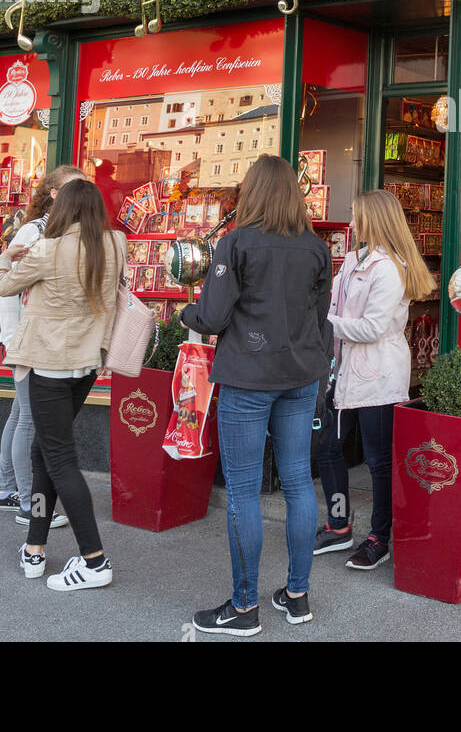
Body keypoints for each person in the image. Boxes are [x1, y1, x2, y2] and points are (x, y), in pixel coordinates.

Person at [185, 155, 332, 634]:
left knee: (245, 491)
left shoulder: (235, 244)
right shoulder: (315, 248)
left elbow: (211, 317)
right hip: (300, 375)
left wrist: (185, 314)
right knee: (296, 483)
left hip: (249, 377)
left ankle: (244, 607)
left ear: (252, 192)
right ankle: (296, 594)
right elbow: (320, 320)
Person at [0, 178, 125, 593]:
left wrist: (5, 257)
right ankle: (34, 546)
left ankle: (94, 560)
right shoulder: (115, 244)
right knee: (42, 451)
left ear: (63, 209)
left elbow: (3, 286)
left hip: (49, 366)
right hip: (86, 364)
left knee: (60, 458)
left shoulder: (47, 251)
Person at [313, 188, 435, 573]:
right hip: (344, 371)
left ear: (372, 218)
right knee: (327, 448)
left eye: (355, 213)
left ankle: (380, 537)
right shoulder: (351, 260)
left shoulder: (389, 268)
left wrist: (322, 322)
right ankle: (339, 525)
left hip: (379, 375)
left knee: (379, 461)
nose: (350, 219)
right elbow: (333, 307)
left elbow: (372, 327)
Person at [0, 164, 83, 528]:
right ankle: (30, 504)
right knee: (30, 420)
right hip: (27, 341)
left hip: (34, 339)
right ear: (55, 194)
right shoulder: (34, 230)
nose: (82, 196)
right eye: (75, 188)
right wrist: (13, 340)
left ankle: (5, 490)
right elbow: (9, 285)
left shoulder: (58, 230)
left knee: (20, 414)